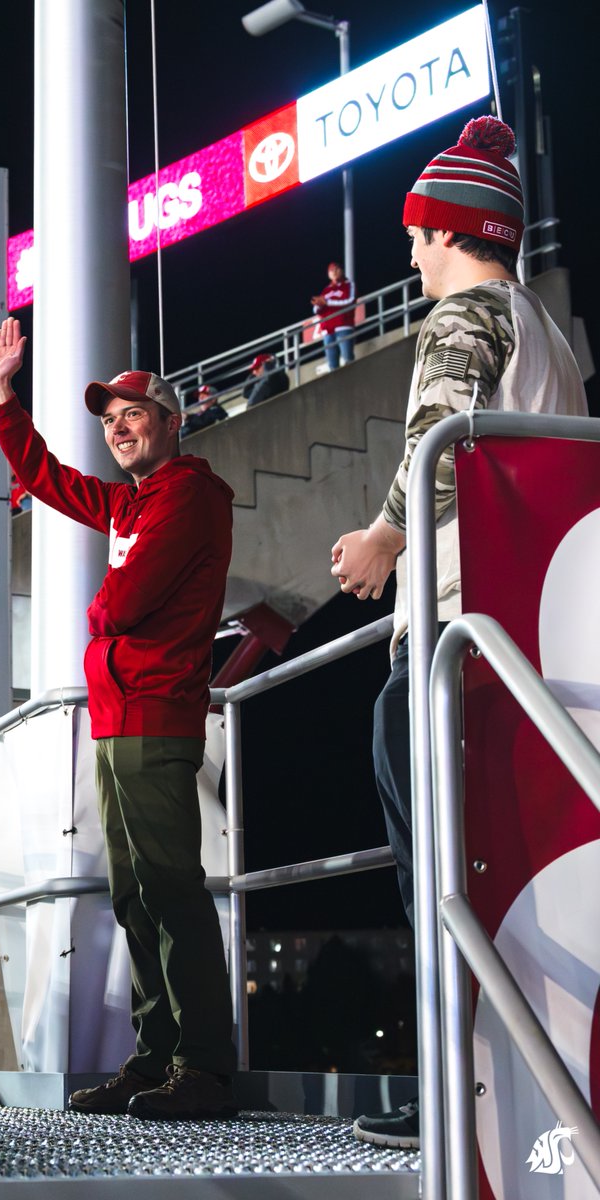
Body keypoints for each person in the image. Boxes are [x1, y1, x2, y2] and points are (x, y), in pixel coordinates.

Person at [330, 116, 587, 1150]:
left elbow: (443, 435)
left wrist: (384, 535)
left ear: (449, 228)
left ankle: (449, 1095)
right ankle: (508, 1091)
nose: (408, 252)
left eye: (415, 233)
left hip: (455, 641)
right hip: (537, 638)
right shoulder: (551, 331)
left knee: (434, 872)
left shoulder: (468, 314)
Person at [0, 317, 237, 1120]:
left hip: (154, 714)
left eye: (133, 411)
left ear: (171, 421)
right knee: (134, 893)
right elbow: (48, 478)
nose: (118, 426)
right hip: (119, 714)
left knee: (170, 888)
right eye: (108, 419)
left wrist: (98, 616)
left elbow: (123, 604)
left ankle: (204, 1067)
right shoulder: (135, 503)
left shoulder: (187, 495)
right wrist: (2, 398)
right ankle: (157, 1055)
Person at [310, 261, 355, 372]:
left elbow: (350, 301)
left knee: (348, 360)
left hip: (343, 327)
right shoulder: (326, 290)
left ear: (341, 270)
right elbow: (315, 310)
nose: (334, 272)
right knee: (333, 366)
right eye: (331, 270)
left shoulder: (348, 284)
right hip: (328, 330)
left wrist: (327, 302)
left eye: (336, 269)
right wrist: (319, 305)